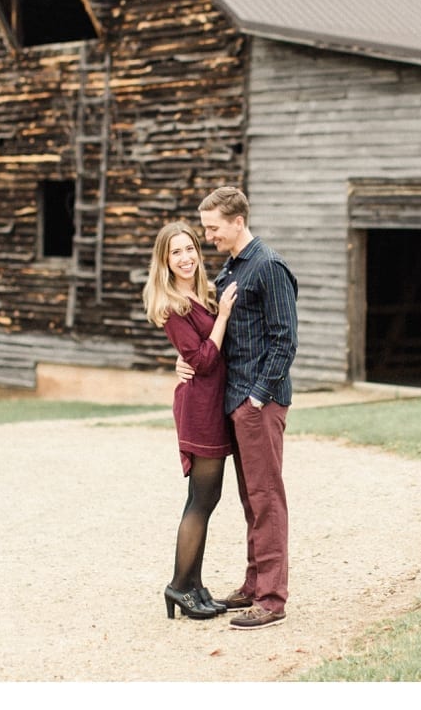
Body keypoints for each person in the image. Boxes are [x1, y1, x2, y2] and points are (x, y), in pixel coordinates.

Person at [178, 186, 297, 630]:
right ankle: (253, 585)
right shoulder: (232, 267)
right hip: (235, 401)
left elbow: (285, 340)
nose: (208, 236)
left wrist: (257, 397)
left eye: (212, 228)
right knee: (251, 498)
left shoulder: (269, 267)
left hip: (257, 403)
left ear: (237, 222)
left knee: (266, 498)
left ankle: (271, 599)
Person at [142, 221, 239, 620]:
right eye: (175, 252)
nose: (185, 258)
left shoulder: (202, 294)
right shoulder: (171, 305)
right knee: (202, 499)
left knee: (206, 498)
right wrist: (224, 316)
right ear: (164, 261)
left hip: (212, 402)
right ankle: (180, 586)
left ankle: (195, 585)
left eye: (189, 249)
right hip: (199, 408)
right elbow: (200, 360)